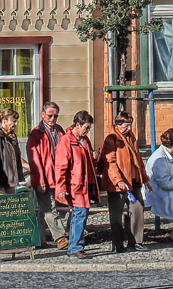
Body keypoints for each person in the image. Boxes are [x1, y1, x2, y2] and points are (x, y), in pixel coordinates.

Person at [100, 110, 149, 252]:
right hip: (119, 184)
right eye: (126, 125)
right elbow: (110, 162)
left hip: (134, 180)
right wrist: (118, 180)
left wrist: (144, 178)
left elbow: (138, 159)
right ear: (118, 124)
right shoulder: (111, 139)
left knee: (138, 209)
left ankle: (136, 242)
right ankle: (118, 244)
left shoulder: (131, 137)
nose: (129, 128)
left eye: (130, 125)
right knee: (116, 214)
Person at [54, 110, 99, 260]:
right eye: (86, 127)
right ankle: (75, 247)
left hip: (85, 183)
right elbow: (60, 167)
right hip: (75, 184)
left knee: (80, 215)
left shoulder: (84, 140)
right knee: (80, 214)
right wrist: (61, 187)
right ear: (78, 125)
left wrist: (94, 157)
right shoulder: (66, 141)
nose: (88, 131)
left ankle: (75, 246)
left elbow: (88, 162)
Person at [27, 101, 68, 249]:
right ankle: (60, 237)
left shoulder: (59, 131)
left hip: (58, 176)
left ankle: (36, 239)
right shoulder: (36, 133)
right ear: (43, 115)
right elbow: (34, 159)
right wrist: (39, 179)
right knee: (49, 208)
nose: (52, 119)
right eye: (50, 115)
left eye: (55, 116)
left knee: (45, 210)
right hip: (45, 176)